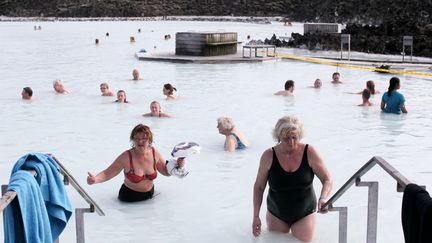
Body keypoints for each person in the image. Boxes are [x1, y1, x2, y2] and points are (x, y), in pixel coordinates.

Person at [252, 116, 332, 242]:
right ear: (278, 137)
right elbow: (259, 186)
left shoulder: (309, 152)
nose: (291, 142)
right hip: (276, 214)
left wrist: (323, 198)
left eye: (295, 137)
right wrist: (256, 216)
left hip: (304, 213)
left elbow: (327, 179)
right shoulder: (268, 155)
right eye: (286, 138)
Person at [87, 124, 185, 202]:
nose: (140, 141)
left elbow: (166, 172)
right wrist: (95, 179)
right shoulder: (126, 157)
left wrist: (180, 165)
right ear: (133, 140)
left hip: (150, 195)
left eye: (144, 138)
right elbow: (107, 173)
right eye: (137, 138)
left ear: (150, 140)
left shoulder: (155, 153)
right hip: (129, 199)